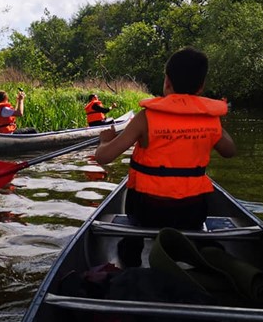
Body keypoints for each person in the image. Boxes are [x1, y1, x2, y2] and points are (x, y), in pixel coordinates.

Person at [94, 47, 236, 266]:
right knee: (197, 205)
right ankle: (199, 248)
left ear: (167, 82)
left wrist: (105, 139)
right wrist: (212, 118)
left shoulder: (146, 118)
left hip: (148, 210)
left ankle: (131, 253)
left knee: (135, 207)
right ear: (201, 87)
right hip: (191, 210)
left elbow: (103, 157)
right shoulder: (210, 121)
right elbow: (229, 151)